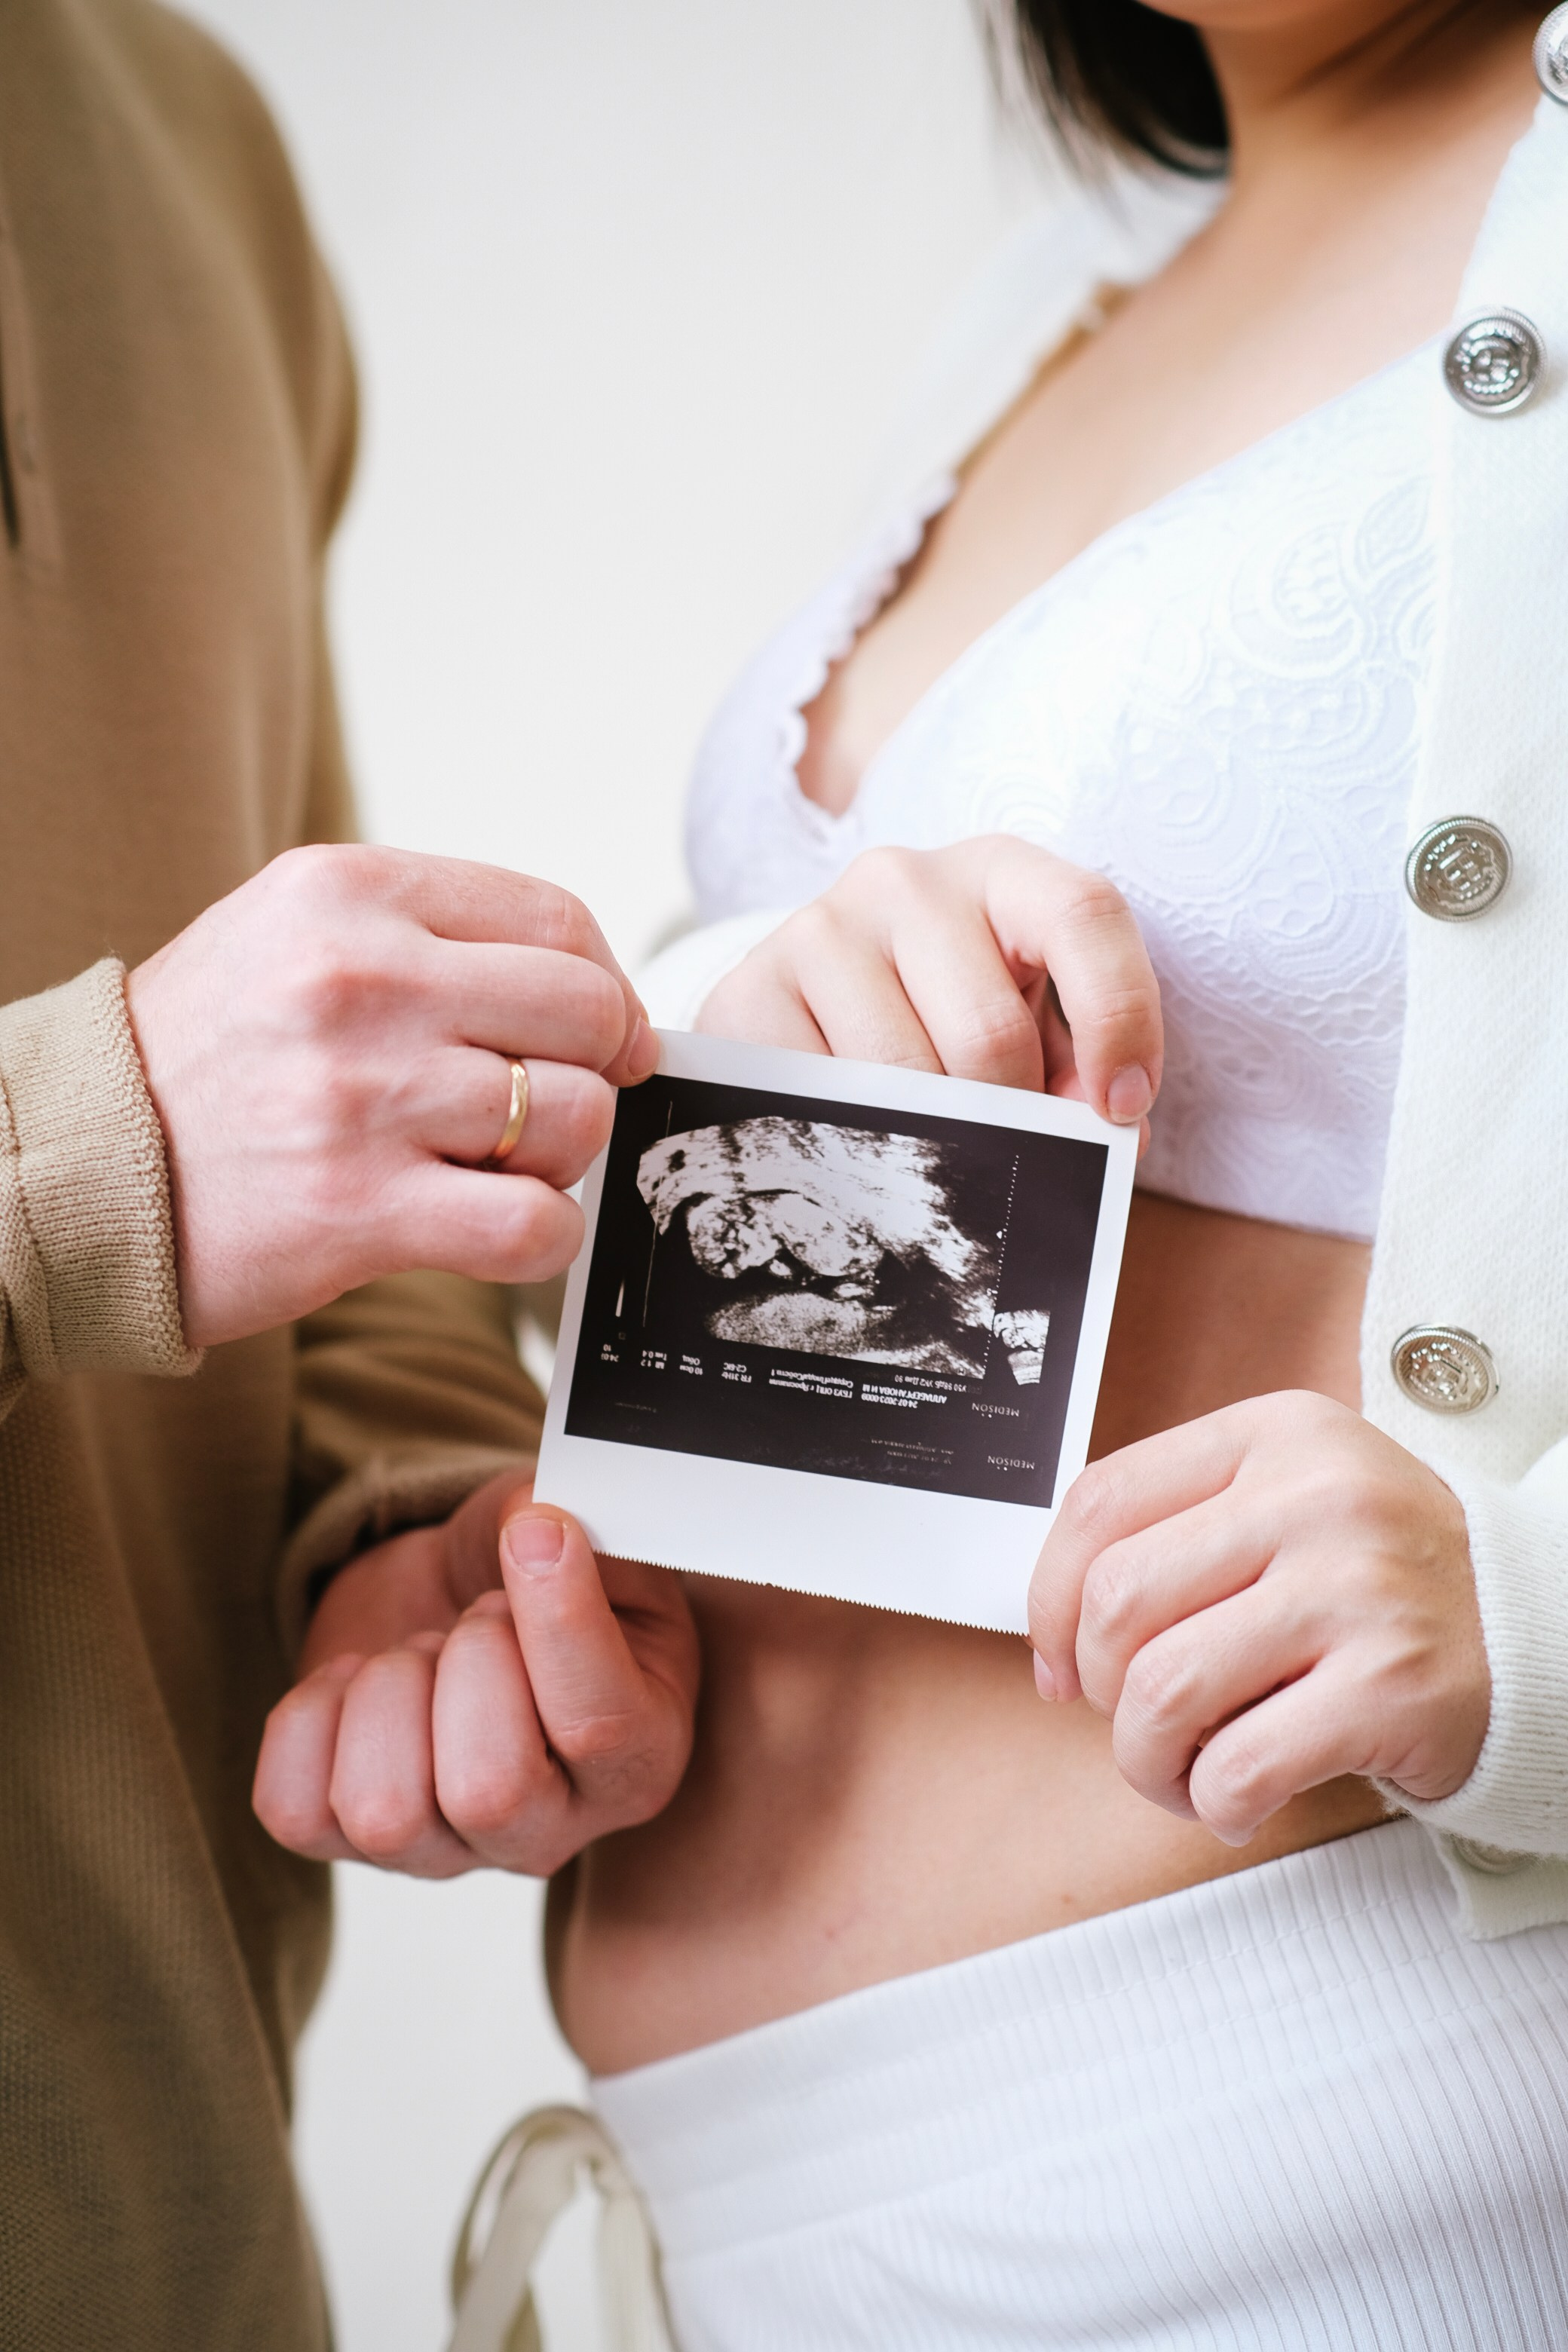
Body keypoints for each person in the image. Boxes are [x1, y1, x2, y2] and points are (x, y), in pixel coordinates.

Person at [259, 1, 1568, 2344]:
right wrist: (535, 1586)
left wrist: (1542, 1632)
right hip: (747, 2207)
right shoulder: (1077, 277)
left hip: (1314, 2171)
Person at [0, 5, 661, 2347]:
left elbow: (271, 1117)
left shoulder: (178, 135)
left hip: (175, 2244)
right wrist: (81, 1155)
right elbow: (139, 1124)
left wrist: (406, 1507)